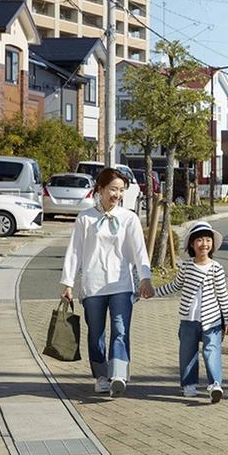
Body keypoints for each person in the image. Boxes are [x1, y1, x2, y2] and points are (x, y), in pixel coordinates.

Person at [60, 167, 153, 397]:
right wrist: (68, 283)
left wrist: (145, 278)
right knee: (96, 333)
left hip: (121, 284)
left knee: (121, 330)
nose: (117, 194)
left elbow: (139, 252)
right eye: (113, 189)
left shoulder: (129, 218)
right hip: (93, 284)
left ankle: (119, 373)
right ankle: (101, 376)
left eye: (121, 190)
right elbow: (75, 252)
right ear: (100, 189)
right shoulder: (85, 218)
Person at [153, 221, 228, 402]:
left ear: (212, 244)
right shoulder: (186, 266)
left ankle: (215, 384)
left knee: (211, 351)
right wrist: (154, 292)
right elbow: (176, 285)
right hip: (188, 319)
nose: (204, 244)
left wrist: (227, 319)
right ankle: (188, 385)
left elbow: (223, 295)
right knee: (187, 352)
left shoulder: (216, 268)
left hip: (212, 319)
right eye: (199, 240)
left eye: (207, 240)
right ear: (191, 244)